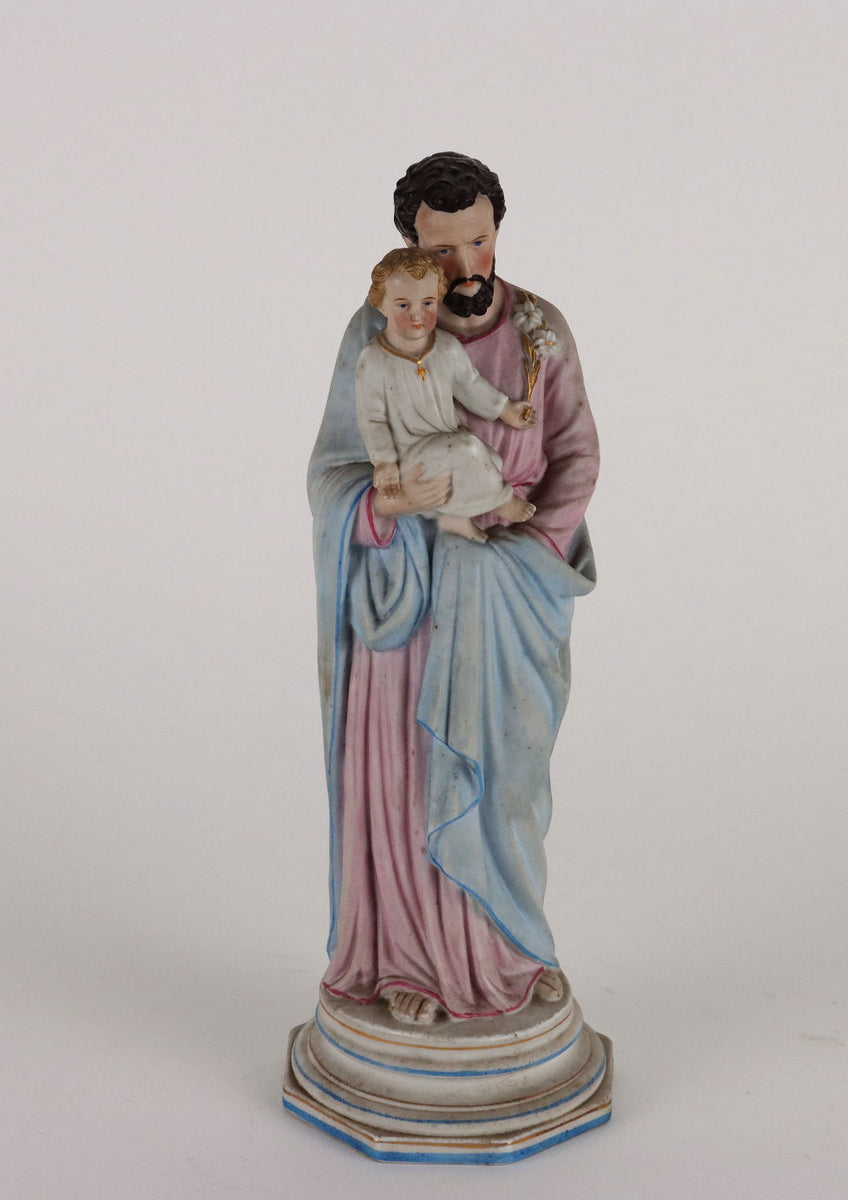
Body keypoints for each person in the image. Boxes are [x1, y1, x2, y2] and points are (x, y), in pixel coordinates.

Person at [308, 152, 599, 1025]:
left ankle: (511, 949)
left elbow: (576, 452)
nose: (467, 266)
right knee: (411, 779)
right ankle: (407, 961)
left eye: (480, 240)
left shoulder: (541, 329)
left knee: (504, 777)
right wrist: (385, 507)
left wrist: (529, 547)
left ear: (497, 229)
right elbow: (333, 471)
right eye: (443, 251)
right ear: (411, 247)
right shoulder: (375, 334)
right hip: (407, 593)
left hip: (508, 587)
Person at [356, 246, 538, 542]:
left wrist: (506, 410)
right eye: (403, 305)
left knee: (492, 461)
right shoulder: (374, 360)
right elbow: (372, 418)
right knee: (469, 451)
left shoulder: (445, 347)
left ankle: (455, 518)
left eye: (427, 303)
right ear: (382, 304)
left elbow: (471, 385)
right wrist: (385, 462)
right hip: (410, 456)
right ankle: (503, 501)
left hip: (447, 441)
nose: (417, 314)